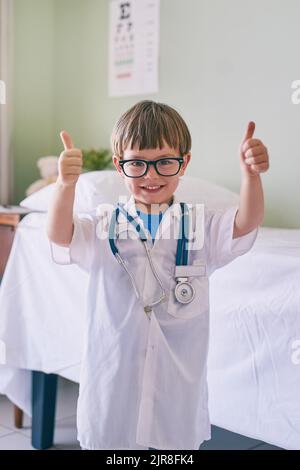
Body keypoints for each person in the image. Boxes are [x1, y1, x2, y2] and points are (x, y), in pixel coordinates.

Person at [46, 100, 269, 450]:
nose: (151, 175)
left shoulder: (199, 224)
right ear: (119, 166)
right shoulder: (105, 223)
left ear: (185, 163)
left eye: (165, 162)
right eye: (138, 163)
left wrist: (250, 176)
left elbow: (245, 223)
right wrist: (65, 186)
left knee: (173, 449)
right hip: (113, 381)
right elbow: (61, 235)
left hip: (176, 384)